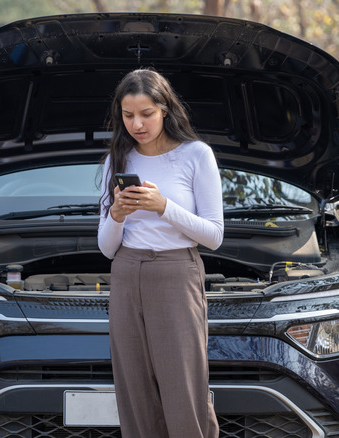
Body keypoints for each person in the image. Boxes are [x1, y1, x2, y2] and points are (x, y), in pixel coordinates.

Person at [97, 68, 224, 437]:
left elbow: (214, 235)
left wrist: (163, 205)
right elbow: (107, 248)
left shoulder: (196, 155)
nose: (137, 124)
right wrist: (116, 215)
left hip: (176, 272)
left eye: (147, 114)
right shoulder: (116, 161)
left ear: (165, 109)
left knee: (183, 387)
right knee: (133, 390)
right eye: (128, 114)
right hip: (126, 272)